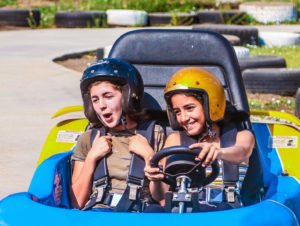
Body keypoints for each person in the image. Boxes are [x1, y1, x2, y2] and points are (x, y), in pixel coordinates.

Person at [147, 67, 255, 211]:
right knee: (153, 210)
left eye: (190, 108)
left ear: (210, 105)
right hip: (185, 211)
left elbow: (242, 152)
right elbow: (160, 197)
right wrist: (156, 179)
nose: (183, 118)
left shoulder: (241, 136)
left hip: (224, 213)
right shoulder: (174, 141)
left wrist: (218, 153)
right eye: (177, 112)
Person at [69, 58, 165, 213]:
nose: (101, 105)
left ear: (128, 96)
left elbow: (162, 199)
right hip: (99, 213)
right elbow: (76, 203)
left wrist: (149, 156)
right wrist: (92, 157)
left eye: (108, 96)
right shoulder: (88, 139)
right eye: (95, 99)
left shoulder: (155, 134)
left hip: (141, 213)